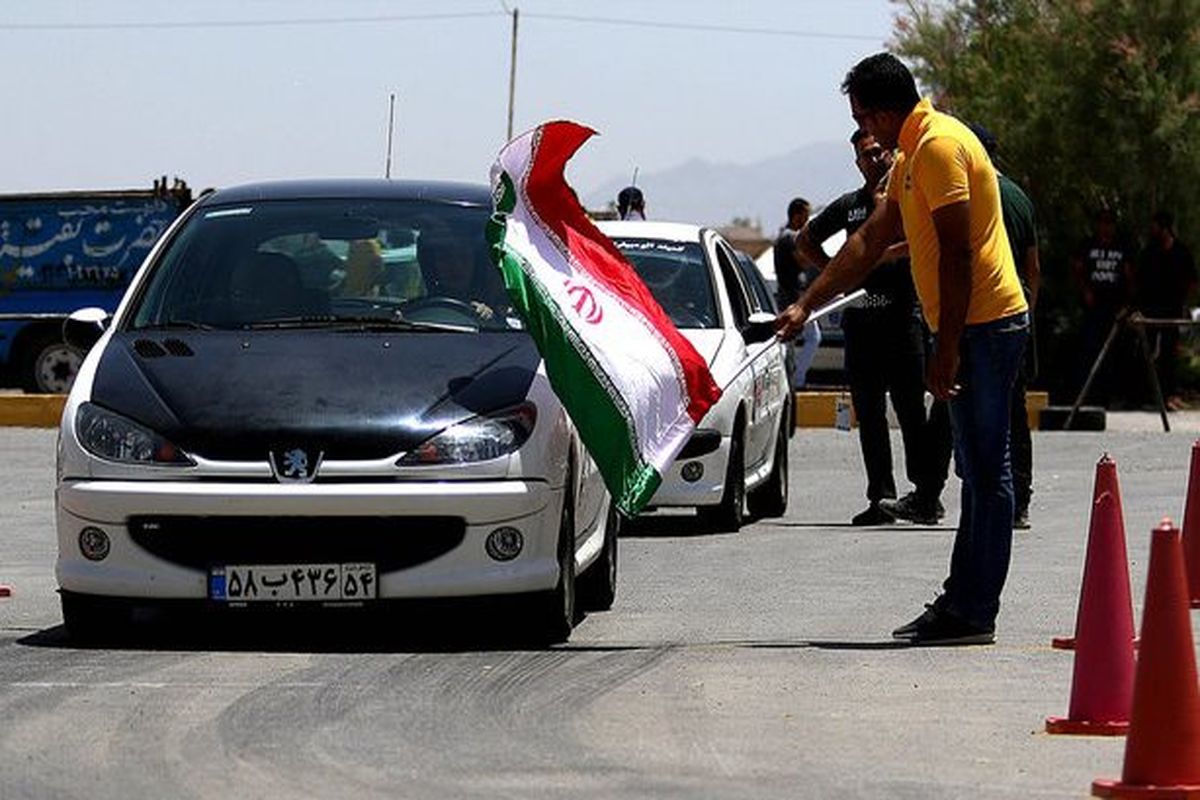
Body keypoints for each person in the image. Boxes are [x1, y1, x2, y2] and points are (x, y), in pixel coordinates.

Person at [776, 53, 1029, 646]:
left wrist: (945, 345)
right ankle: (962, 602)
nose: (863, 130)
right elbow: (867, 241)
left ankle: (972, 611)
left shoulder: (939, 147)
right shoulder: (912, 156)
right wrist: (806, 303)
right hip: (970, 327)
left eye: (864, 116)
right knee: (977, 470)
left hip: (985, 327)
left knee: (987, 474)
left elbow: (961, 252)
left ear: (888, 112)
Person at [797, 130, 944, 526]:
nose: (875, 160)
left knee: (912, 410)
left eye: (880, 152)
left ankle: (926, 495)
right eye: (867, 155)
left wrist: (876, 258)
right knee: (871, 414)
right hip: (861, 325)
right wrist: (835, 272)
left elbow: (921, 240)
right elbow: (805, 239)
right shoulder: (849, 207)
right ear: (858, 162)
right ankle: (881, 496)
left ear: (893, 154)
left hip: (904, 321)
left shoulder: (909, 197)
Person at [1071, 209, 1135, 407]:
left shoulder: (1122, 247)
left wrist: (1127, 304)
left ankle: (1112, 395)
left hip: (1115, 309)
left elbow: (1131, 276)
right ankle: (1087, 396)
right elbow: (1077, 270)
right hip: (1093, 307)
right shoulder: (1088, 245)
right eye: (1103, 222)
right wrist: (1085, 291)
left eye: (1109, 223)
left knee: (1114, 353)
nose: (1106, 227)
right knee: (1089, 350)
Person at [1136, 211, 1197, 410]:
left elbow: (1192, 281)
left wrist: (1184, 302)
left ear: (1164, 228)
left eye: (1155, 227)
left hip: (1172, 310)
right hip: (1151, 310)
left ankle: (1170, 393)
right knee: (1148, 352)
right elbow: (1140, 281)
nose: (1152, 230)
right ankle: (1147, 395)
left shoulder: (1181, 252)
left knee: (1170, 353)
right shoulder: (1150, 252)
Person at [774, 197, 821, 387]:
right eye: (805, 216)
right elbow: (803, 260)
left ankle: (789, 379)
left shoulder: (783, 237)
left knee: (790, 342)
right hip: (795, 298)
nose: (806, 221)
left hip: (788, 296)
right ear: (796, 216)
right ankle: (797, 379)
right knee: (813, 337)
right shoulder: (791, 238)